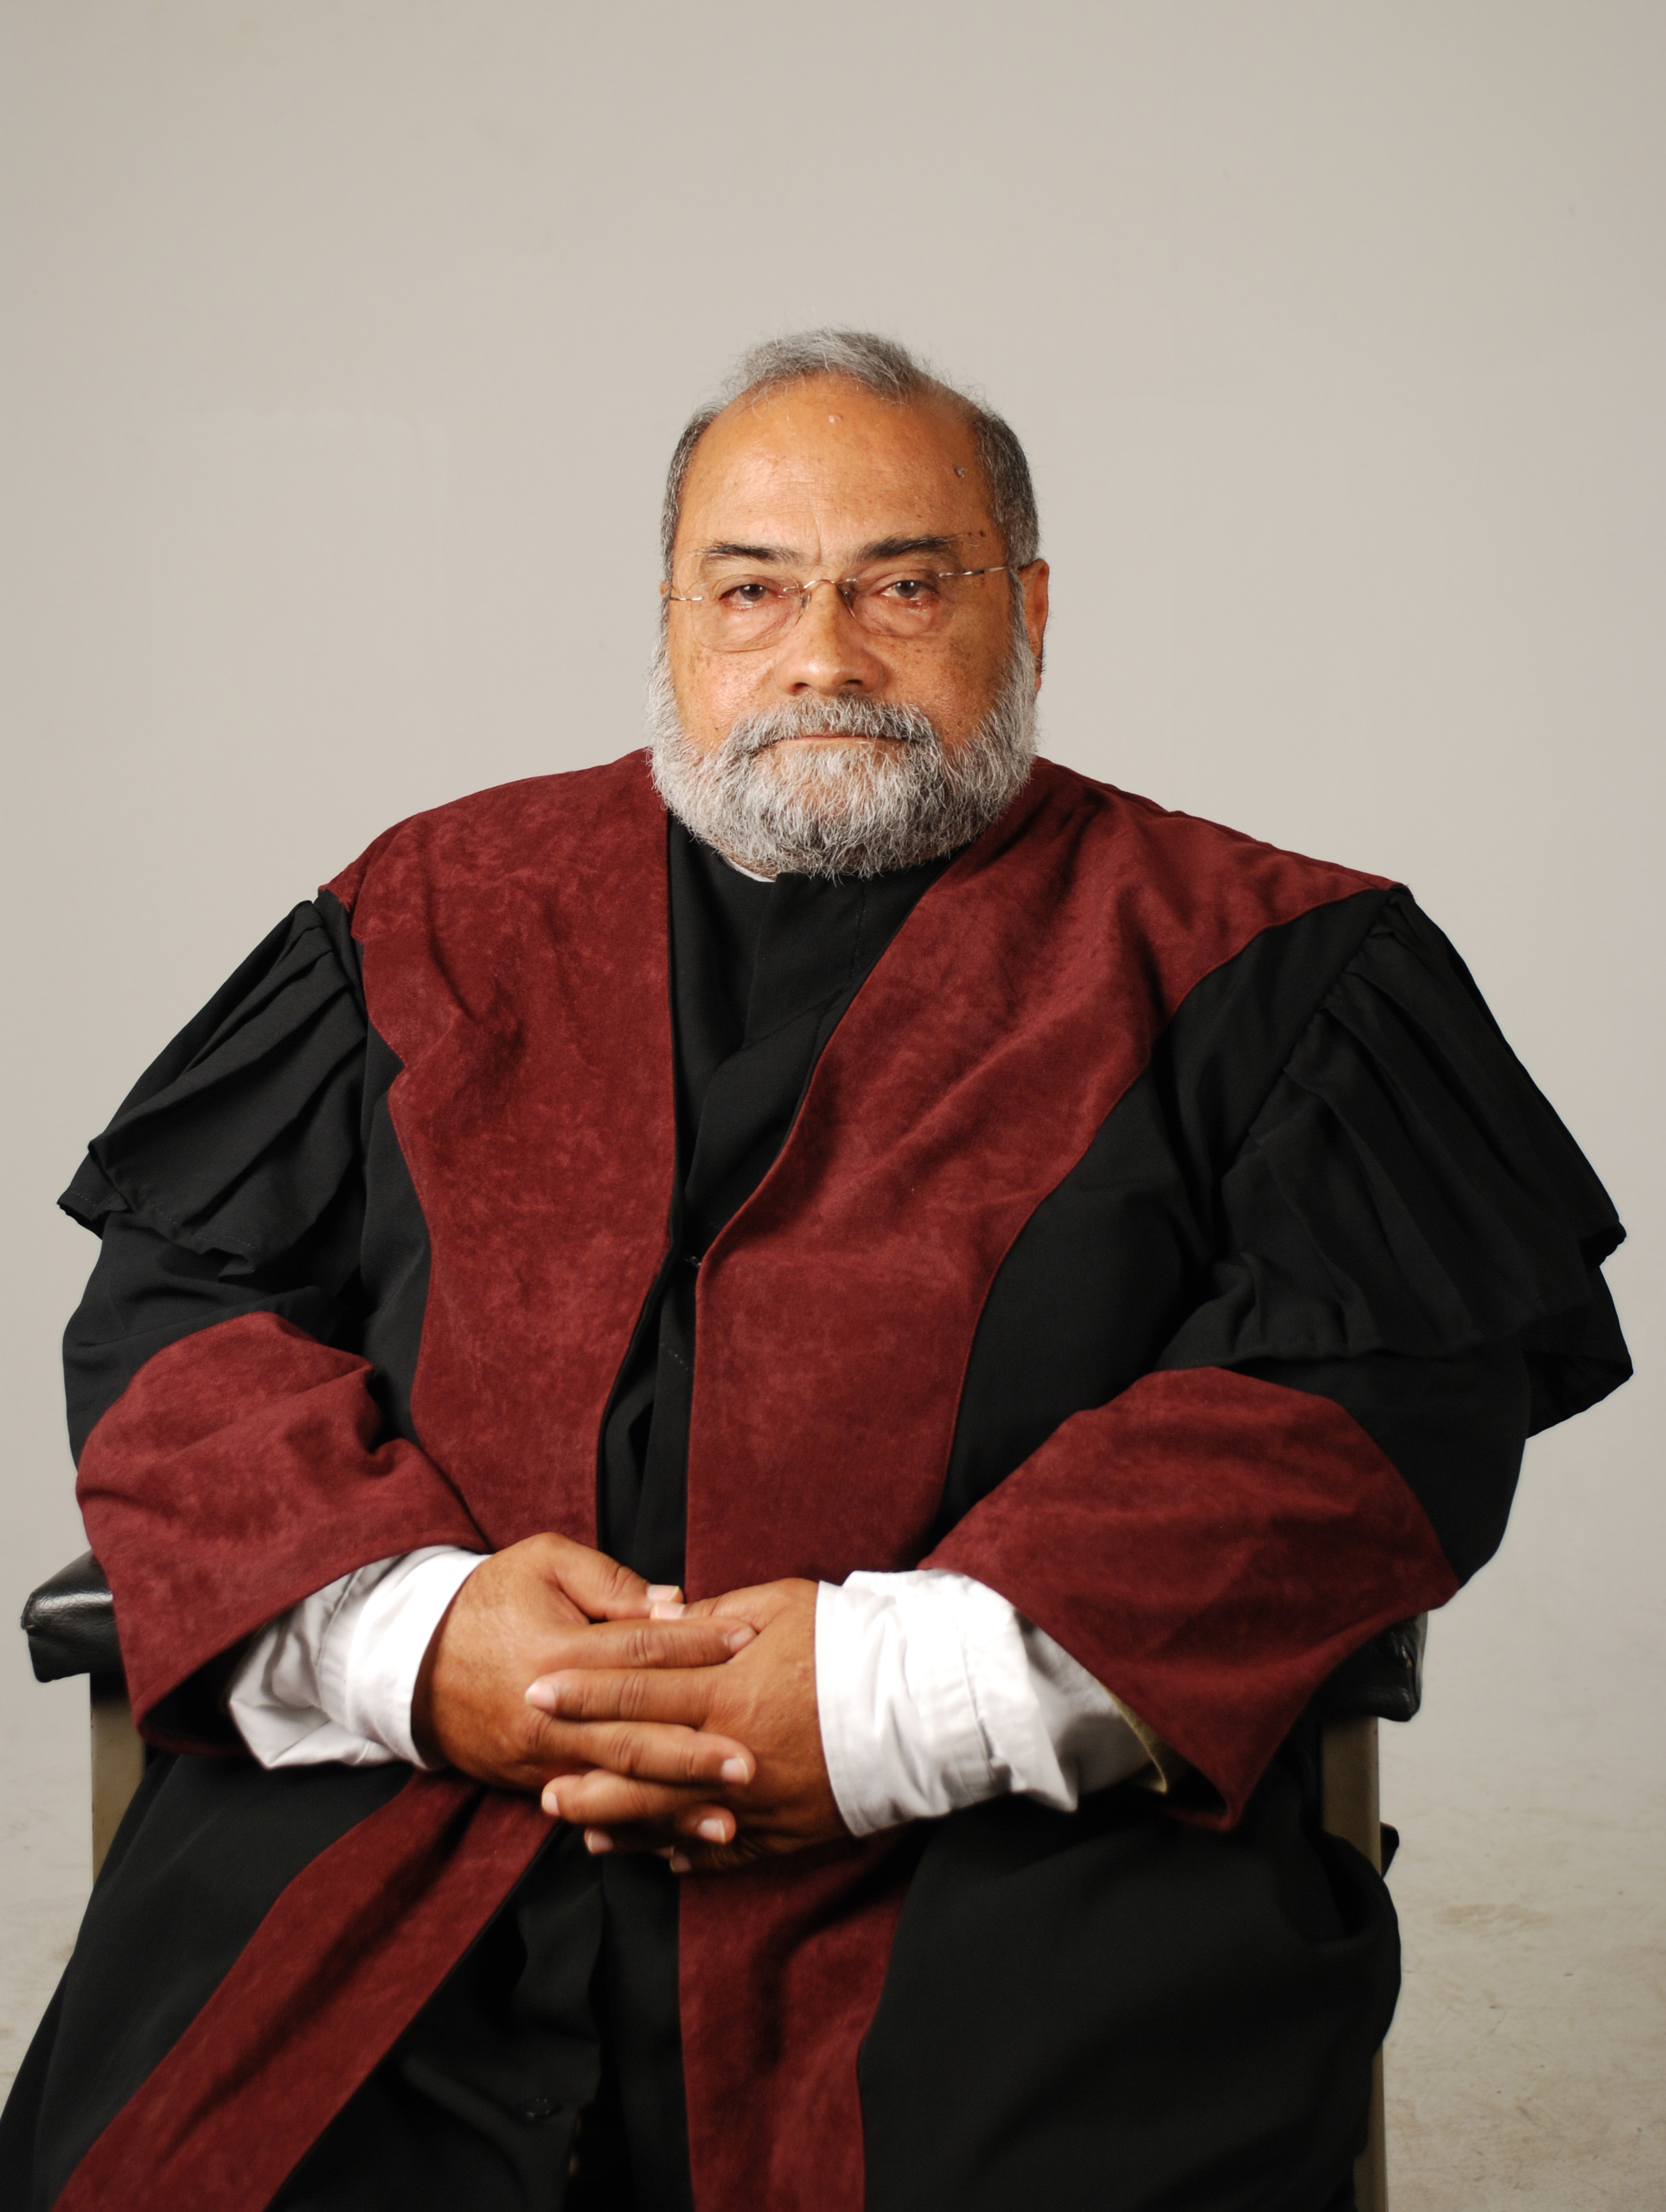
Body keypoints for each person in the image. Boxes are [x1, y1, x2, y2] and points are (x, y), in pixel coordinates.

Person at [1, 332, 1629, 2212]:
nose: (823, 657)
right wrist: (424, 1645)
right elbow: (181, 1323)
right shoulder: (429, 911)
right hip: (424, 1816)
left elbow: (1351, 1426)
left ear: (1027, 610)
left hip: (1011, 1864)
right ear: (673, 618)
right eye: (752, 589)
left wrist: (876, 1702)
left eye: (902, 587)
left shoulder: (1278, 966)